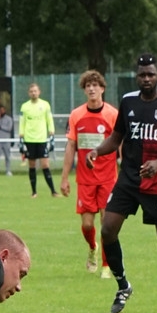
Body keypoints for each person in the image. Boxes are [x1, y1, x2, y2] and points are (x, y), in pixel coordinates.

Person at [86, 54, 157, 313]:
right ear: (136, 76)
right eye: (142, 74)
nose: (146, 79)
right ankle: (123, 286)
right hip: (128, 181)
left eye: (151, 74)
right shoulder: (128, 101)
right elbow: (116, 138)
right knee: (108, 229)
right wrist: (97, 151)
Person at [60, 70, 119, 277]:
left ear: (102, 88)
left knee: (106, 224)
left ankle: (106, 265)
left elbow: (120, 144)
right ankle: (93, 247)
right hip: (85, 179)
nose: (92, 89)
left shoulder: (112, 114)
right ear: (84, 90)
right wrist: (64, 178)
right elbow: (71, 147)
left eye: (95, 85)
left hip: (108, 178)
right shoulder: (76, 115)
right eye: (88, 86)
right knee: (87, 225)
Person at [18, 82, 58, 197]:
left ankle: (53, 191)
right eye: (31, 91)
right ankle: (34, 192)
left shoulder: (45, 105)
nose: (33, 93)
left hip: (42, 139)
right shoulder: (25, 106)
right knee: (32, 166)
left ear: (39, 92)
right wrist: (21, 136)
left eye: (35, 91)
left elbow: (49, 119)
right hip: (29, 139)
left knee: (45, 165)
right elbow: (22, 122)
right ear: (28, 93)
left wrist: (51, 132)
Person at [0, 105, 14, 176]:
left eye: (2, 110)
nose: (1, 112)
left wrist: (1, 127)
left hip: (6, 140)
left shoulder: (9, 119)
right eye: (0, 110)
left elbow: (9, 128)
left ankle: (8, 171)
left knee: (7, 156)